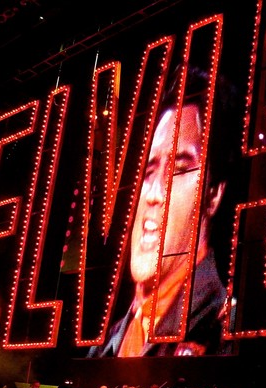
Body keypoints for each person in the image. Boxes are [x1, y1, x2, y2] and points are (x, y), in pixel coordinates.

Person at [87, 64, 241, 358]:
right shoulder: (109, 340)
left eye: (179, 170)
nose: (154, 194)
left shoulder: (219, 328)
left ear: (213, 194)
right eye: (149, 172)